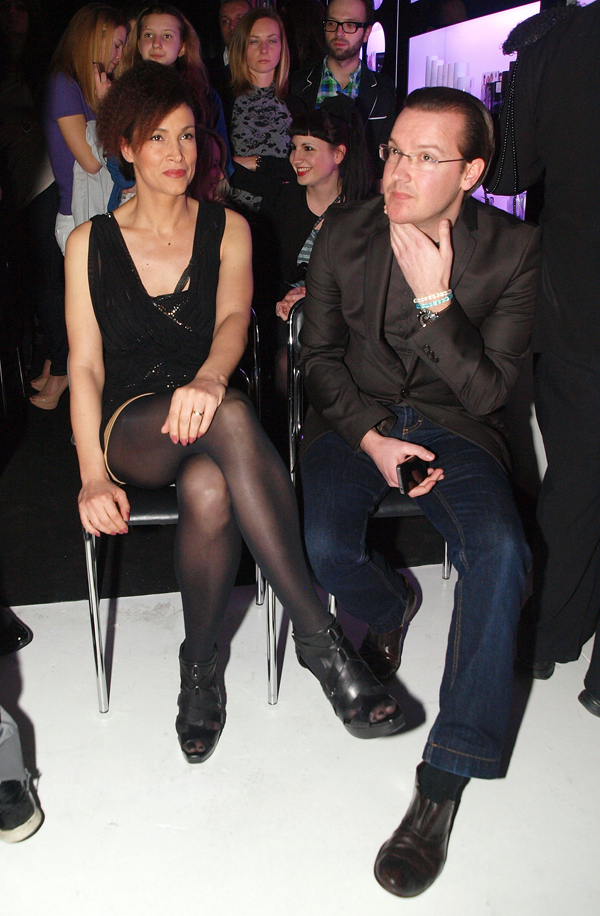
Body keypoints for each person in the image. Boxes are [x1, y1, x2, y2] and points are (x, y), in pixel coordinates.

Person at [66, 61, 404, 765]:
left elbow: (231, 323)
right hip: (132, 426)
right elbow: (86, 366)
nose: (178, 154)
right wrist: (92, 475)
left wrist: (210, 379)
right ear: (125, 146)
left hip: (212, 407)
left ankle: (199, 672)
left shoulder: (230, 228)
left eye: (188, 136)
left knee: (210, 485)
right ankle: (322, 644)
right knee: (231, 418)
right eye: (157, 139)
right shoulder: (89, 243)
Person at [298, 87, 540, 896]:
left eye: (425, 157)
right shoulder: (346, 229)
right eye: (396, 150)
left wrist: (438, 303)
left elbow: (489, 393)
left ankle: (443, 783)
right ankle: (393, 605)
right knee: (324, 549)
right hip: (354, 420)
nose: (398, 171)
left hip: (454, 427)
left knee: (501, 551)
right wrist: (372, 438)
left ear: (471, 172)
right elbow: (318, 358)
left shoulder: (511, 250)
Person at [488, 1, 600, 718]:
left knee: (578, 476)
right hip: (576, 301)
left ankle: (550, 635)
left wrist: (516, 87)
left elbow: (509, 172)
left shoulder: (561, 39)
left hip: (578, 300)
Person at [41, 3, 128, 410]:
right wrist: (109, 104)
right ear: (94, 37)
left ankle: (99, 417)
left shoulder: (89, 85)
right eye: (116, 44)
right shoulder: (65, 83)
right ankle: (90, 421)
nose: (119, 55)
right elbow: (92, 161)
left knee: (103, 326)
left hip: (98, 214)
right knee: (94, 330)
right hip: (77, 219)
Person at [290, 0, 396, 180]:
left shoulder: (384, 89)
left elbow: (386, 155)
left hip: (362, 192)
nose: (339, 33)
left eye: (350, 25)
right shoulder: (297, 84)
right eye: (332, 23)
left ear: (366, 33)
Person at [125, 3, 231, 173]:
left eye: (167, 36)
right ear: (138, 44)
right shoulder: (124, 95)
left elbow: (221, 162)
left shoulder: (205, 98)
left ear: (182, 47)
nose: (156, 44)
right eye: (148, 35)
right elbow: (117, 164)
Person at [227, 6, 300, 211]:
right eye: (254, 41)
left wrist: (254, 162)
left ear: (282, 46)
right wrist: (273, 182)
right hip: (232, 214)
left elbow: (300, 168)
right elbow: (216, 167)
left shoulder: (296, 106)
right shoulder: (222, 101)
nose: (264, 49)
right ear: (242, 46)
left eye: (272, 40)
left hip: (283, 215)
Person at [205, 0, 252, 106]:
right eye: (225, 21)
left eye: (239, 19)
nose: (232, 26)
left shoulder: (267, 67)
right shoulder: (206, 72)